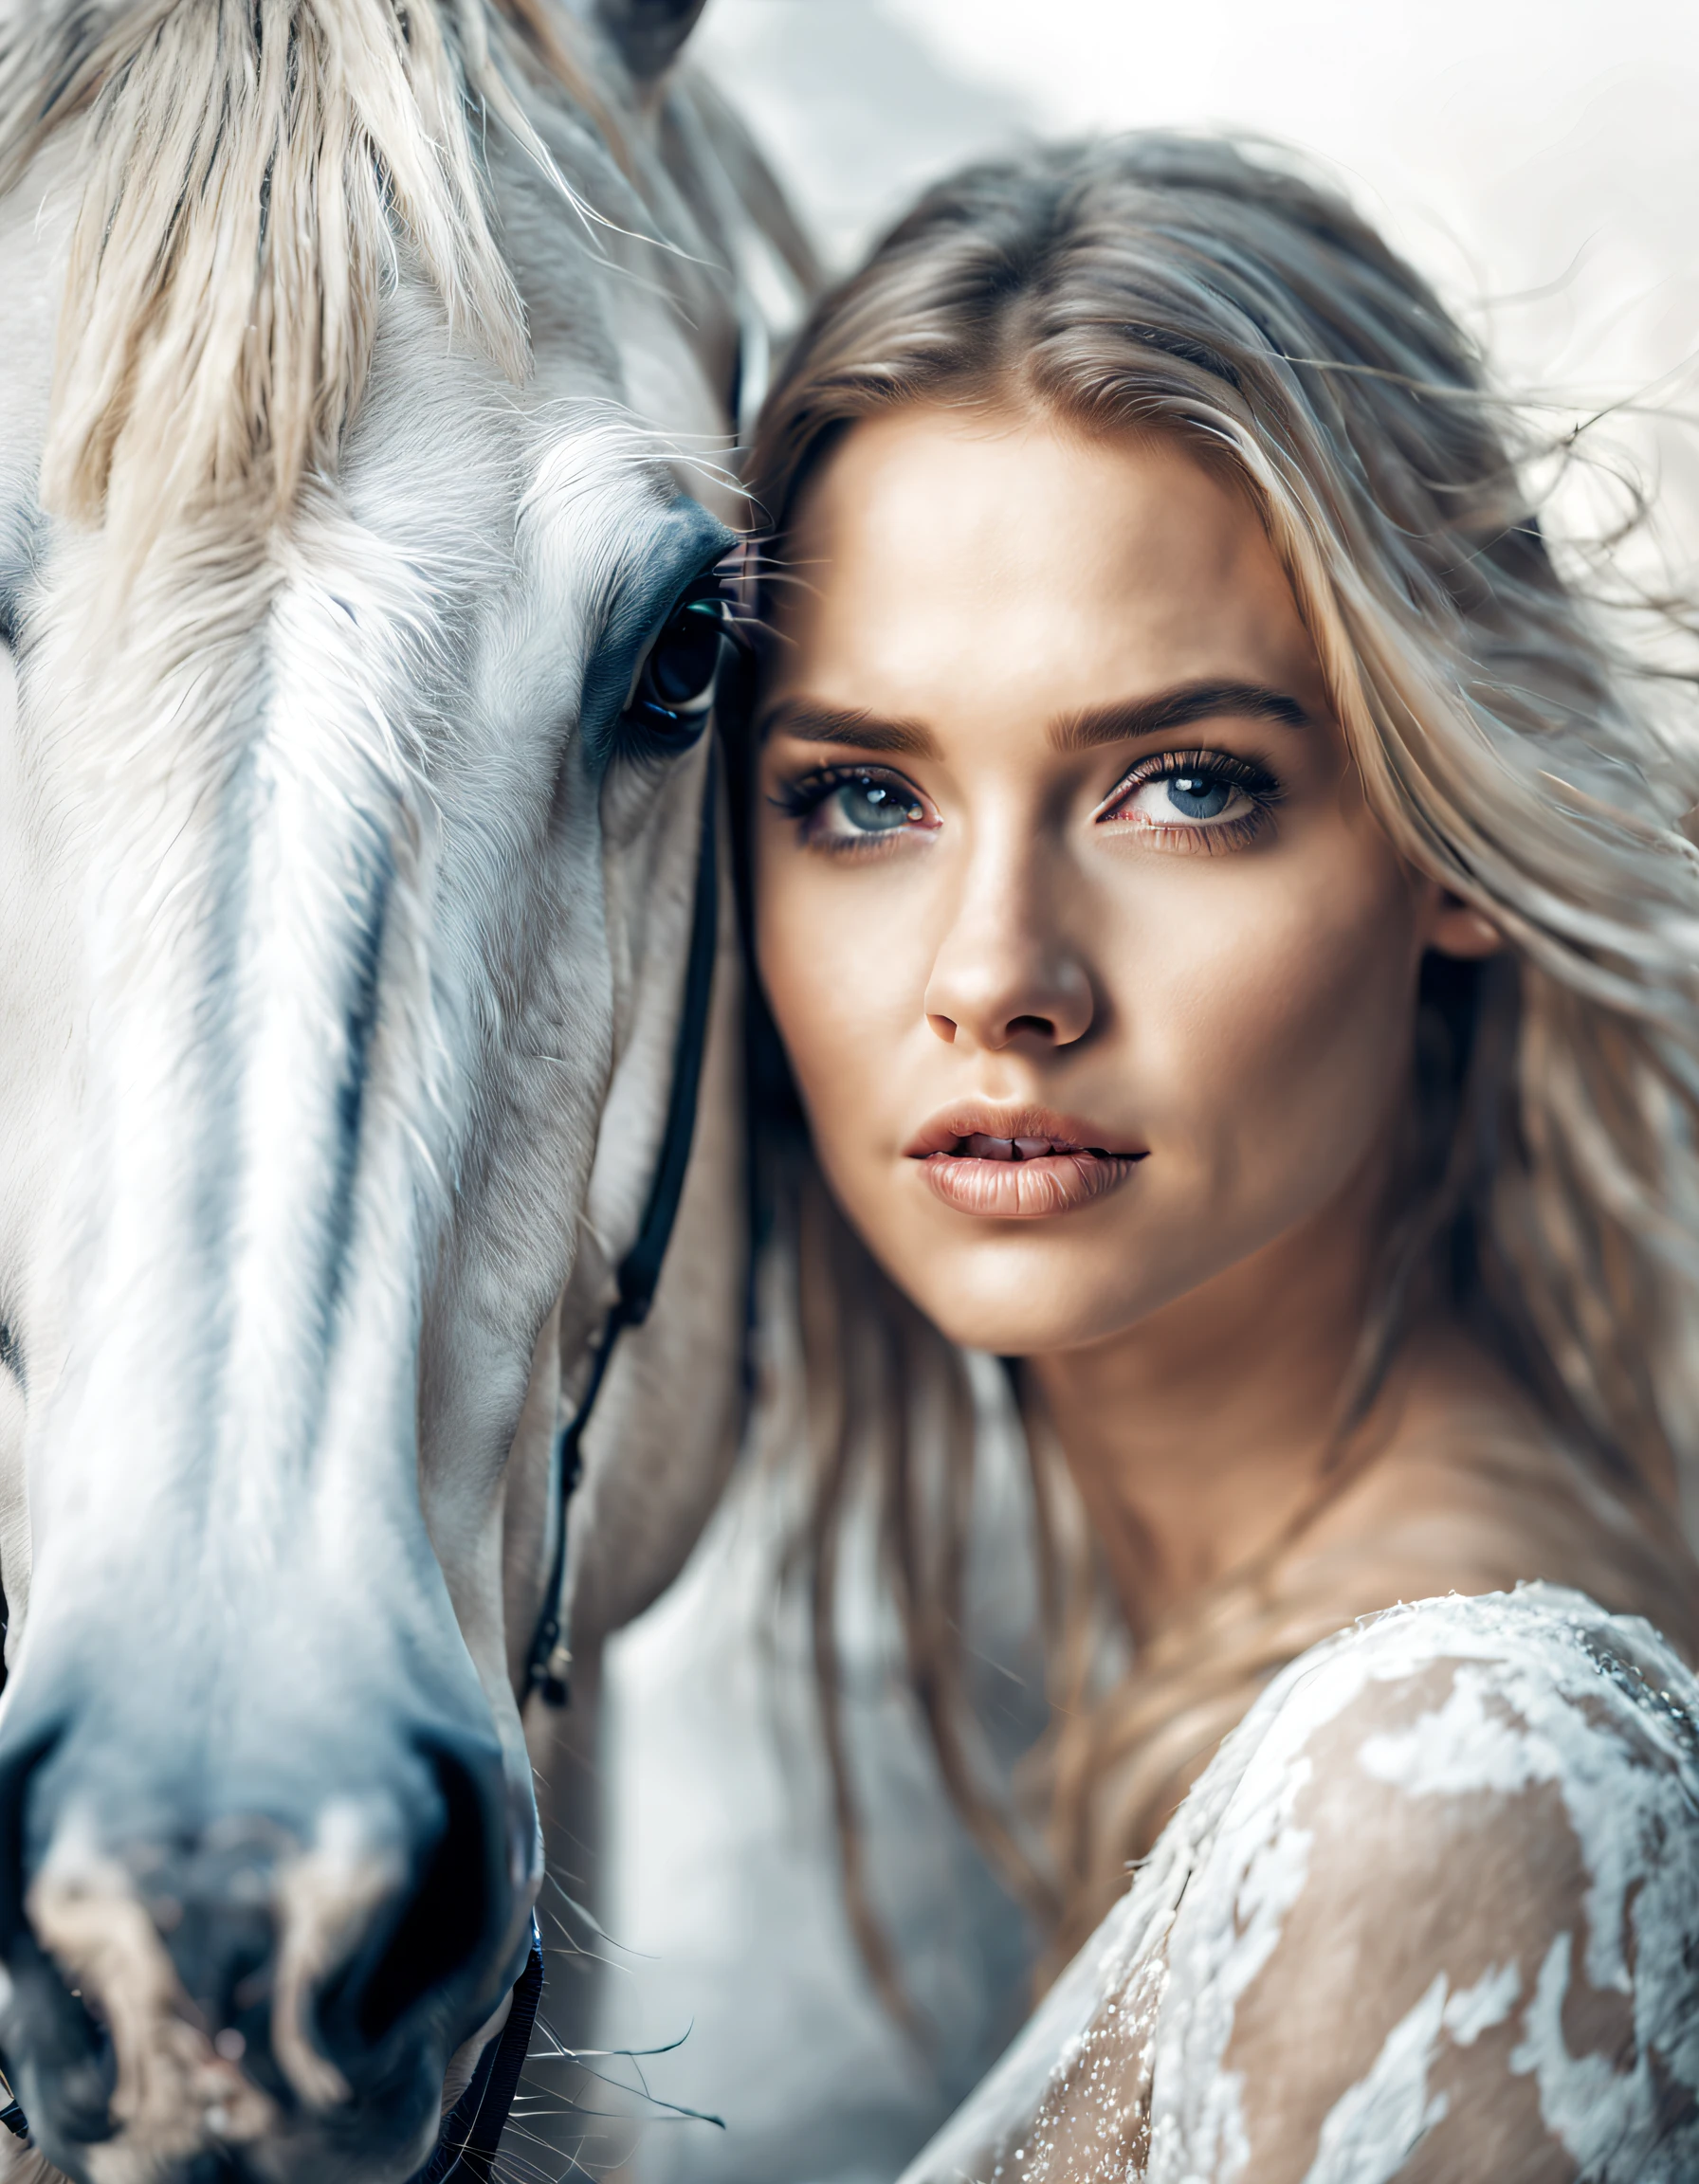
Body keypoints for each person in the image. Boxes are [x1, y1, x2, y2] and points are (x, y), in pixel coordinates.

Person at [716, 133, 1699, 2180]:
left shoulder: (1454, 1784)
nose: (995, 979)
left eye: (1182, 784)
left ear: (1445, 837)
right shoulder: (1082, 1671)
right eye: (860, 800)